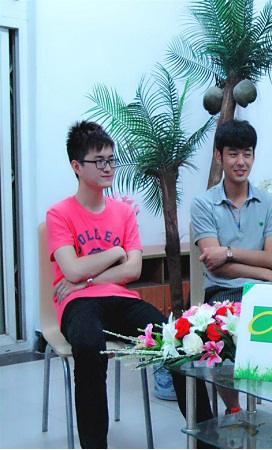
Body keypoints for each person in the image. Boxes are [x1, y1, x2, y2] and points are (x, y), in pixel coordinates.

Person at [46, 120, 213, 449]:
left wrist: (84, 279)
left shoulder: (123, 212)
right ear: (77, 166)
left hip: (120, 299)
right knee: (89, 347)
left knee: (176, 339)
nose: (108, 167)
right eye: (99, 161)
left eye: (111, 159)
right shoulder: (59, 214)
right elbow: (71, 268)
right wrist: (115, 252)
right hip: (76, 305)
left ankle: (208, 441)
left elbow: (133, 269)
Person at [190, 119, 272, 425]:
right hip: (222, 292)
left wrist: (228, 251)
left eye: (247, 154)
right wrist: (262, 272)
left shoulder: (271, 203)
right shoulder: (203, 204)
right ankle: (234, 410)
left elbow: (271, 258)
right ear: (219, 156)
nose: (241, 162)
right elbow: (215, 264)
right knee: (220, 333)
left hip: (266, 292)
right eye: (233, 154)